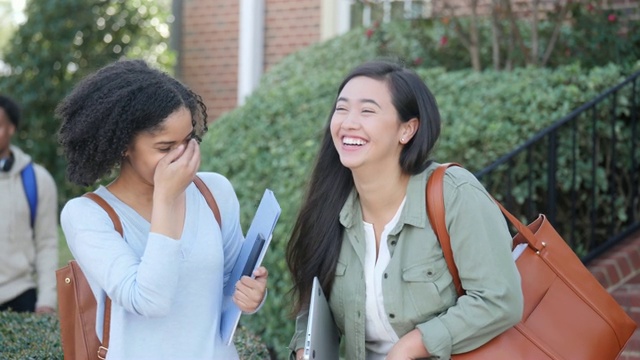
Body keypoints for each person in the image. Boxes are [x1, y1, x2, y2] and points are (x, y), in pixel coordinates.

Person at [286, 61, 523, 360]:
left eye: (367, 111)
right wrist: (304, 349)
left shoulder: (453, 193)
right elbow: (316, 307)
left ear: (407, 130)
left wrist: (413, 345)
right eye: (342, 109)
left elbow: (500, 299)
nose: (348, 122)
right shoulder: (328, 208)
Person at [56, 59, 268, 359]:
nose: (183, 157)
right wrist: (166, 200)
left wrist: (253, 296)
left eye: (189, 140)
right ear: (124, 146)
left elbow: (230, 291)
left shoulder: (214, 192)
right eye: (166, 148)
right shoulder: (87, 215)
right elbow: (149, 301)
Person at [0, 94, 58, 314]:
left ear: (11, 128)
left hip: (19, 296)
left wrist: (46, 300)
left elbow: (47, 244)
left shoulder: (37, 179)